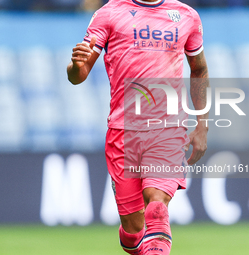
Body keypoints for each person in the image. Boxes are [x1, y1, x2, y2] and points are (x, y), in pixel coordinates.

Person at [67, 0, 209, 254]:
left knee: (156, 206)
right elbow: (79, 74)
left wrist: (202, 125)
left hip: (168, 128)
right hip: (123, 132)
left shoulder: (186, 16)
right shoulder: (109, 13)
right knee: (133, 230)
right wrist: (76, 67)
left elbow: (198, 70)